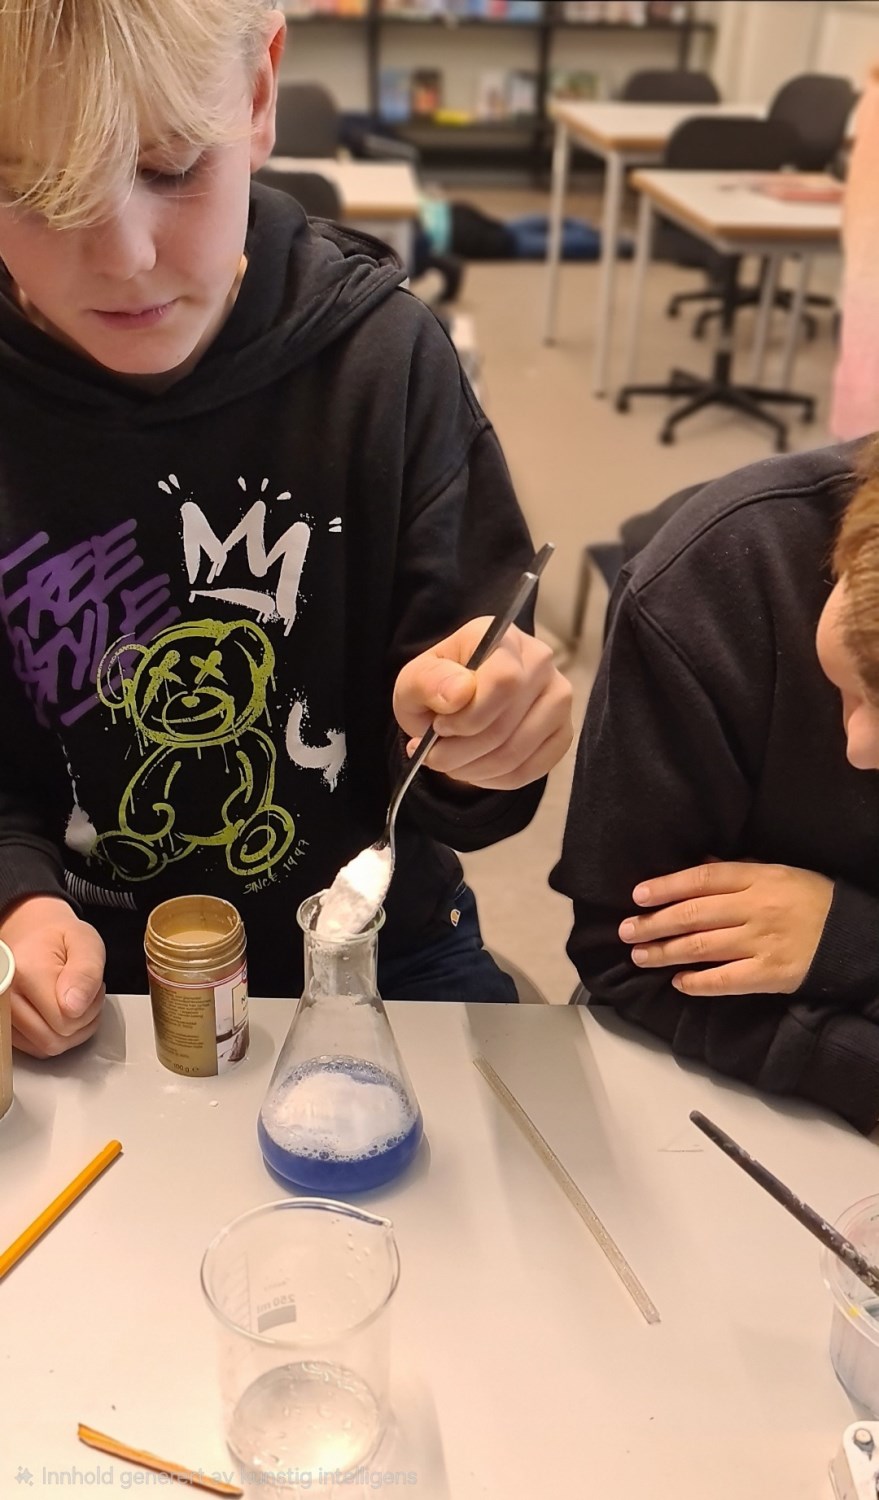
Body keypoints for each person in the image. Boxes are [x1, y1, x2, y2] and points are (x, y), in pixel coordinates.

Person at [0, 0, 572, 1059]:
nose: (124, 255)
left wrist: (483, 742)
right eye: (36, 192)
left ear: (260, 93)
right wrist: (18, 902)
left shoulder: (384, 363)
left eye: (171, 166)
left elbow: (458, 782)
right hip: (85, 958)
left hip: (376, 944)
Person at [551, 437, 879, 1134]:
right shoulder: (715, 581)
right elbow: (629, 960)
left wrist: (852, 944)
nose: (859, 748)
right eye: (855, 681)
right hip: (728, 1071)